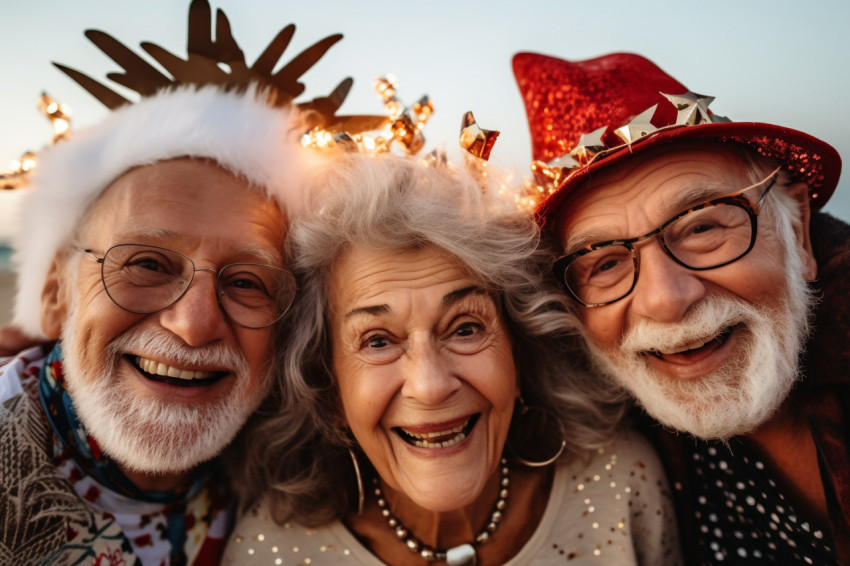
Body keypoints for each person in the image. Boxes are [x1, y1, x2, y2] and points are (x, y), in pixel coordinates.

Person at [0, 1, 358, 563]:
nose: (194, 325)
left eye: (246, 282)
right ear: (54, 292)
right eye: (146, 264)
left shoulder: (289, 475)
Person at [221, 152, 682, 565]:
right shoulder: (267, 550)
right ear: (329, 390)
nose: (430, 384)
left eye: (465, 329)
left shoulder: (622, 482)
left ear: (520, 352)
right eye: (378, 341)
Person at [513, 51, 849, 564]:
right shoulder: (611, 439)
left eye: (702, 228)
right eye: (603, 263)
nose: (666, 300)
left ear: (798, 232)